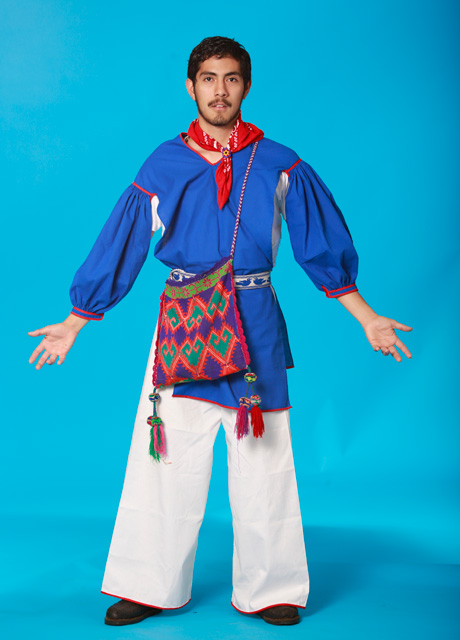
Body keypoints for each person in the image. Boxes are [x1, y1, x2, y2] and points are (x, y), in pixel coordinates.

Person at [28, 36, 412, 627]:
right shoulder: (163, 163)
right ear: (191, 87)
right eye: (208, 78)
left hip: (253, 320)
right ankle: (149, 584)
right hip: (186, 321)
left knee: (265, 459)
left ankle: (272, 588)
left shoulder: (280, 163)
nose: (219, 90)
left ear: (246, 87)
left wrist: (366, 316)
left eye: (231, 78)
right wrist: (77, 320)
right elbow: (123, 243)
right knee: (164, 459)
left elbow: (318, 242)